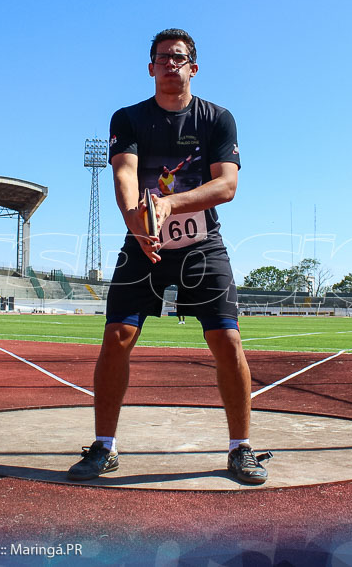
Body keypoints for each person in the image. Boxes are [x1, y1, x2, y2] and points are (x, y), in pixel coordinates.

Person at [67, 28, 269, 485]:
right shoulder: (129, 118)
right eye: (162, 58)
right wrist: (136, 225)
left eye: (179, 58)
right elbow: (124, 173)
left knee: (227, 342)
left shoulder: (217, 119)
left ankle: (241, 448)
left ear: (193, 67)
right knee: (117, 335)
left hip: (201, 243)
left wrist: (171, 204)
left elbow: (227, 185)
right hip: (143, 243)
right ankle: (104, 446)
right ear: (150, 67)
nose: (170, 65)